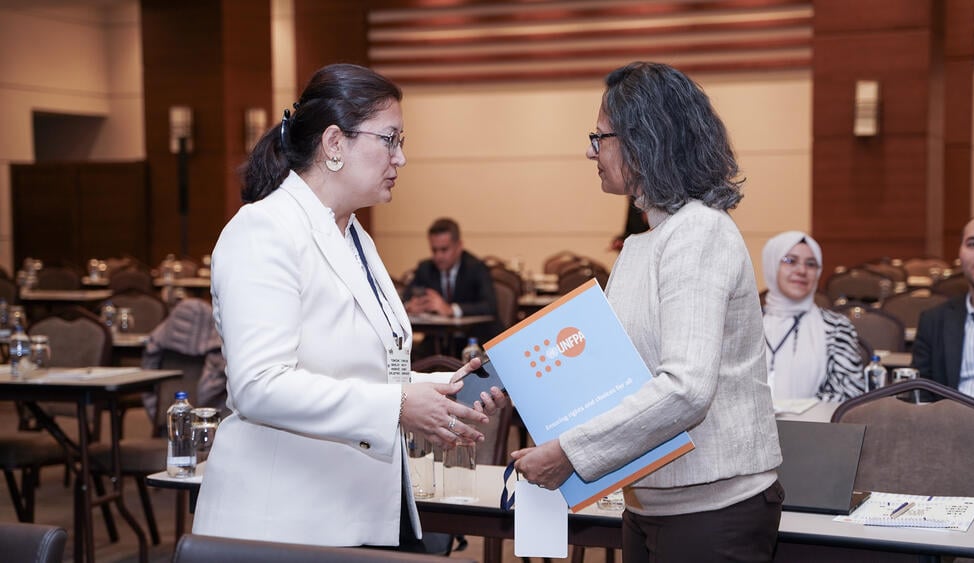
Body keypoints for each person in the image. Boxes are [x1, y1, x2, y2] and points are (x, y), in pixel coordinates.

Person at [191, 64, 505, 550]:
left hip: (358, 505)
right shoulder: (265, 230)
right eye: (390, 139)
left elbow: (375, 369)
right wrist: (400, 405)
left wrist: (444, 391)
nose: (401, 158)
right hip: (289, 519)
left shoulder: (353, 233)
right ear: (334, 144)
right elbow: (259, 385)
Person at [511, 62, 783, 562]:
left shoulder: (700, 233)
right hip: (648, 501)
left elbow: (686, 389)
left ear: (644, 140)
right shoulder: (642, 246)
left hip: (712, 511)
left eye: (601, 136)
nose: (590, 150)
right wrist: (509, 383)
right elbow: (613, 375)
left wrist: (569, 451)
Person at [761, 231, 866, 402]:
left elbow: (851, 395)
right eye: (790, 260)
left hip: (812, 426)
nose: (802, 270)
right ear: (772, 265)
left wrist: (797, 409)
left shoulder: (836, 327)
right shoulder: (745, 325)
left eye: (811, 264)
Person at [912, 210, 974, 406]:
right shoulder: (934, 321)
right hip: (954, 430)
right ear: (960, 252)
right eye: (973, 244)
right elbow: (921, 396)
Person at [403, 217, 500, 342]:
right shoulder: (426, 268)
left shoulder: (476, 267)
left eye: (444, 250)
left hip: (474, 340)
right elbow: (404, 298)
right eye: (434, 250)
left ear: (459, 246)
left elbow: (489, 306)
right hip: (437, 342)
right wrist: (409, 306)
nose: (438, 256)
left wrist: (451, 309)